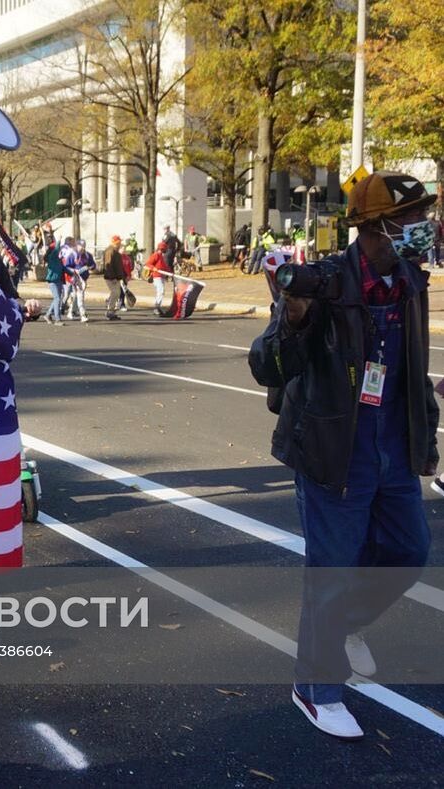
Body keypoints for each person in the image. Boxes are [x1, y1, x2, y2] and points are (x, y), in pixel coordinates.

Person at [248, 171, 438, 741]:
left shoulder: (409, 279)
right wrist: (294, 316)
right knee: (330, 575)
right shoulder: (327, 281)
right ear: (377, 225)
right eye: (411, 219)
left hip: (394, 446)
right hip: (336, 449)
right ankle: (316, 689)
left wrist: (425, 440)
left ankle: (344, 626)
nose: (422, 228)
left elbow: (411, 371)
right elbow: (267, 367)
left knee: (410, 550)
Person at [102, 234, 126, 320]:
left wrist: (121, 277)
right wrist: (113, 278)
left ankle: (111, 310)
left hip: (116, 277)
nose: (120, 244)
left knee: (117, 293)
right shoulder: (110, 251)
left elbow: (118, 266)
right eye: (119, 242)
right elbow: (108, 266)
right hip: (111, 277)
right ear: (116, 242)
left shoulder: (116, 252)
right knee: (115, 292)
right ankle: (110, 311)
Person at [43, 235, 65, 326]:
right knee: (57, 298)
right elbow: (56, 250)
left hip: (59, 280)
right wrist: (59, 240)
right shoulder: (52, 258)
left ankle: (48, 315)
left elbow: (64, 269)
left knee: (57, 299)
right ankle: (57, 319)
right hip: (53, 281)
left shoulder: (58, 259)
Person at [146, 242, 171, 313]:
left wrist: (170, 272)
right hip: (156, 276)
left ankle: (158, 306)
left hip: (161, 276)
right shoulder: (156, 255)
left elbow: (164, 267)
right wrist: (153, 268)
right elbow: (148, 264)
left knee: (161, 292)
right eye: (165, 249)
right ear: (163, 249)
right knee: (161, 291)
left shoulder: (161, 256)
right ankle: (156, 307)